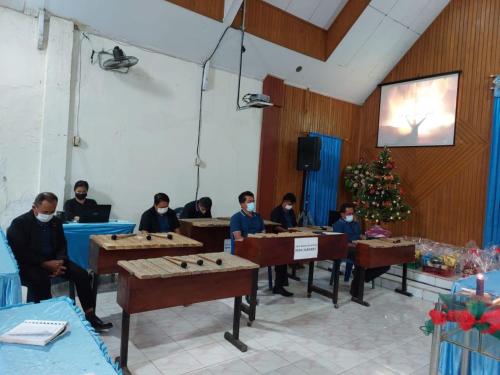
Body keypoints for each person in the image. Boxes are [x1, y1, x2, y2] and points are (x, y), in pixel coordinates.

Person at [7, 192, 112, 331]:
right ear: (34, 207)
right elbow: (20, 252)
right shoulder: (19, 223)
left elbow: (62, 244)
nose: (49, 215)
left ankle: (91, 316)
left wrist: (60, 262)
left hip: (55, 262)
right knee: (41, 281)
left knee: (82, 275)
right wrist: (44, 264)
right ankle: (44, 320)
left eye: (52, 211)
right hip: (30, 264)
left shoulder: (55, 221)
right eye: (45, 212)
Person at [333, 203, 390, 299]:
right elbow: (341, 241)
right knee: (361, 259)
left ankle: (361, 278)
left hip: (360, 246)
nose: (351, 215)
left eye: (352, 213)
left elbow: (360, 235)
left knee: (385, 263)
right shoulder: (337, 225)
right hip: (346, 249)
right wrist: (354, 242)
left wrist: (362, 237)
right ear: (342, 214)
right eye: (348, 214)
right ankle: (355, 291)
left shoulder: (355, 224)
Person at [269, 193, 298, 297]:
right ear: (284, 201)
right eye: (289, 204)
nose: (290, 206)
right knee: (282, 261)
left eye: (292, 204)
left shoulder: (291, 212)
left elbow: (294, 224)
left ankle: (282, 283)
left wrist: (296, 230)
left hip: (290, 237)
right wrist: (286, 231)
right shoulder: (276, 211)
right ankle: (278, 286)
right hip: (279, 240)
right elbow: (275, 226)